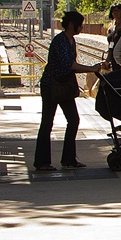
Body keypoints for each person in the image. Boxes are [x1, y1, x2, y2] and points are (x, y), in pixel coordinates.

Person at [34, 10, 105, 171]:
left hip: (63, 86)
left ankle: (69, 159)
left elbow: (71, 65)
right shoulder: (60, 41)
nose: (81, 27)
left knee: (73, 120)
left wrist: (92, 68)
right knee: (47, 122)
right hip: (51, 86)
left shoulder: (71, 41)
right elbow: (69, 65)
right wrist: (90, 68)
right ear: (72, 25)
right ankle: (42, 161)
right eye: (80, 24)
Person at [105, 2, 121, 70]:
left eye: (118, 11)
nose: (115, 13)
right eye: (113, 11)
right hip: (114, 59)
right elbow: (110, 45)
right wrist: (107, 60)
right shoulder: (111, 26)